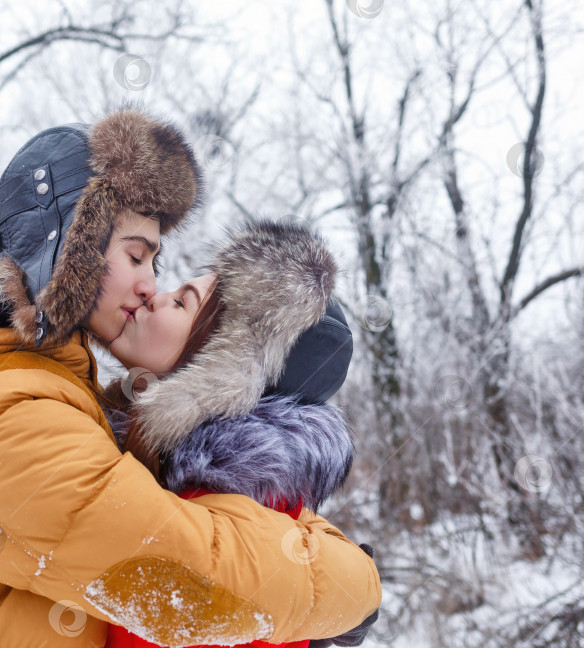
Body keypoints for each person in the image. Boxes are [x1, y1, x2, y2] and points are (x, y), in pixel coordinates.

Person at [0, 107, 381, 647]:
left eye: (155, 266)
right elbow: (175, 573)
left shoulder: (50, 389)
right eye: (137, 255)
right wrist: (351, 585)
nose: (150, 286)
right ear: (70, 246)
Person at [101, 219, 377, 648]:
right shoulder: (198, 486)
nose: (154, 296)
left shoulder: (218, 522)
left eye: (180, 303)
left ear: (225, 367)